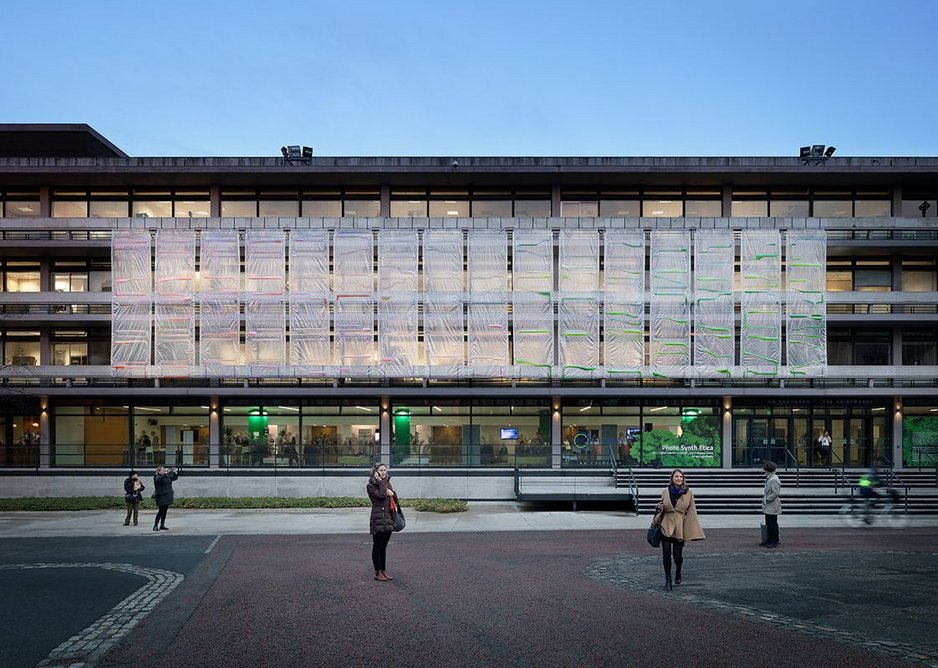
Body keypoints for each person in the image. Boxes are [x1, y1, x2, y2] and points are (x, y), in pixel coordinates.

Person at [655, 469, 705, 591]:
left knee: (677, 555)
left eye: (680, 477)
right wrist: (658, 507)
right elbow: (661, 506)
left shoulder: (688, 493)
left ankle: (678, 570)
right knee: (666, 554)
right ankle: (668, 580)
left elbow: (692, 512)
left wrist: (691, 529)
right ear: (672, 478)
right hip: (666, 525)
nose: (678, 478)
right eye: (676, 476)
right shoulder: (665, 491)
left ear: (683, 479)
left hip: (680, 527)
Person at [367, 462, 397, 582]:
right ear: (376, 472)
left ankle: (383, 570)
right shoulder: (371, 486)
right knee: (377, 546)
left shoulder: (387, 483)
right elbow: (380, 495)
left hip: (388, 518)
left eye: (385, 470)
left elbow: (394, 498)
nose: (384, 472)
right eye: (381, 470)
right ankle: (377, 572)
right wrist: (381, 483)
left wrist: (393, 493)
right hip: (378, 519)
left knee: (383, 547)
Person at [761, 461, 782, 548]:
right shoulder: (770, 478)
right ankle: (770, 539)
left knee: (772, 523)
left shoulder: (773, 479)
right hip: (770, 505)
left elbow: (775, 492)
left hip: (772, 504)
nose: (764, 472)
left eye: (765, 470)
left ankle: (774, 540)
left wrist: (768, 499)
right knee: (769, 522)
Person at [152, 465, 179, 531]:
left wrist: (175, 473)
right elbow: (158, 480)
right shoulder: (157, 476)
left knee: (165, 511)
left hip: (167, 496)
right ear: (159, 471)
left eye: (164, 469)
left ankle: (162, 525)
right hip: (161, 496)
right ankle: (155, 525)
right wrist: (165, 474)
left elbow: (174, 478)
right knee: (160, 511)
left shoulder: (166, 476)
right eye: (163, 470)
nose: (164, 470)